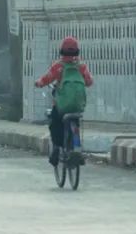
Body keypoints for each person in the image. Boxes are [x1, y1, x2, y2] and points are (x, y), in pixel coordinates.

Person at [34, 36, 93, 166]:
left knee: (55, 123)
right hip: (77, 106)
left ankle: (56, 149)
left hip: (61, 106)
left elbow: (46, 79)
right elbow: (89, 82)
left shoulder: (59, 67)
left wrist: (38, 83)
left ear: (62, 51)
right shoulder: (82, 67)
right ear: (77, 51)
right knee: (76, 124)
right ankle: (77, 148)